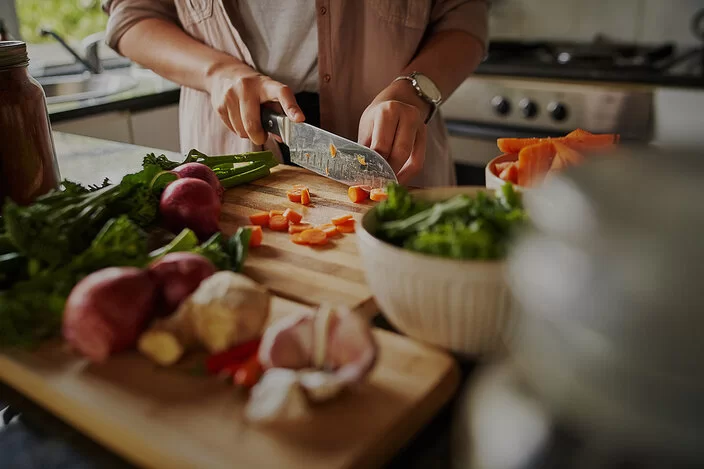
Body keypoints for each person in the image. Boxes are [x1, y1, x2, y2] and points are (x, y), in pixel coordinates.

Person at [102, 0, 487, 187]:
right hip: (235, 146)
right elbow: (132, 17)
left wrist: (414, 90)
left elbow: (465, 20)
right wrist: (218, 72)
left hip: (396, 153)